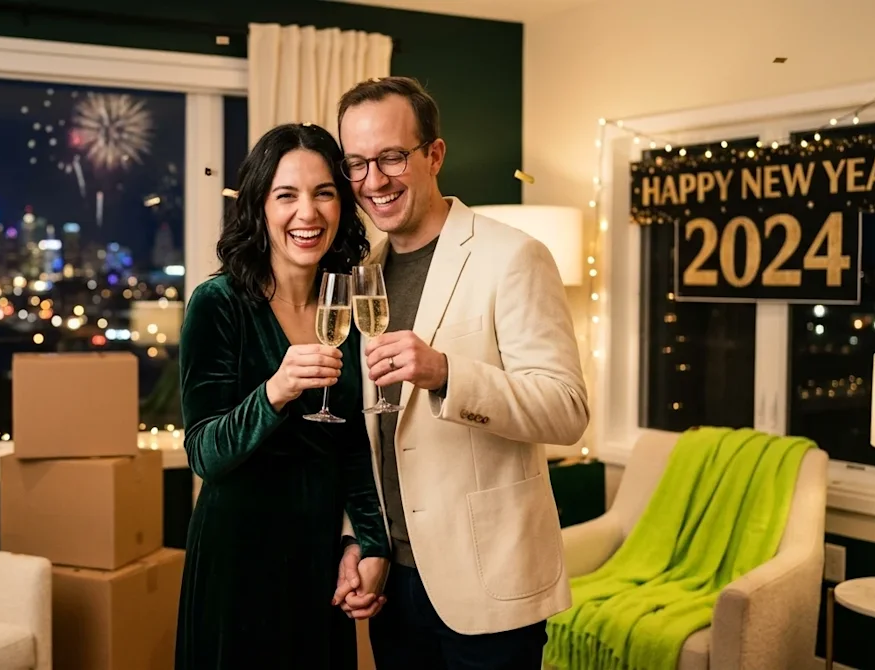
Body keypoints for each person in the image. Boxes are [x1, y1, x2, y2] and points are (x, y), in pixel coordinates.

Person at [331, 77, 590, 669]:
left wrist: (446, 372)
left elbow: (567, 409)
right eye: (357, 164)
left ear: (434, 155)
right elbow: (366, 436)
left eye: (392, 156)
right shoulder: (360, 274)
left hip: (488, 581)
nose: (374, 181)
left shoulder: (514, 256)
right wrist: (357, 536)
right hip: (390, 582)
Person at [175, 122, 391, 670]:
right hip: (237, 556)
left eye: (324, 193)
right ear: (259, 207)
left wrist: (368, 546)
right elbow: (205, 454)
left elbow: (352, 449)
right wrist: (275, 390)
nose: (308, 213)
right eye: (286, 195)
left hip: (318, 558)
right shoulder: (218, 303)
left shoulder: (347, 304)